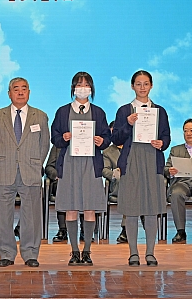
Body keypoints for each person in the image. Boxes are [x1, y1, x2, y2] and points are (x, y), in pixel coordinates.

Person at [0, 77, 50, 268]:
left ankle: (30, 253)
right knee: (3, 215)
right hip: (5, 169)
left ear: (29, 92)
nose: (20, 92)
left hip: (30, 170)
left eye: (24, 88)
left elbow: (44, 144)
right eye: (16, 89)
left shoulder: (40, 116)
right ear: (9, 93)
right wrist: (3, 160)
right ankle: (6, 253)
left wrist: (36, 163)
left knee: (31, 215)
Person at [52, 72, 111, 266]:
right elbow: (55, 137)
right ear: (73, 88)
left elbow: (107, 137)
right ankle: (74, 251)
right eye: (79, 85)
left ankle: (87, 251)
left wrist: (102, 141)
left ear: (91, 89)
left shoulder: (98, 112)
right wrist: (63, 138)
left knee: (89, 208)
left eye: (86, 85)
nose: (82, 88)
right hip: (69, 164)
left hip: (91, 164)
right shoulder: (62, 112)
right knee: (71, 208)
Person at [112, 70, 170, 266]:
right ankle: (133, 253)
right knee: (132, 208)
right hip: (131, 161)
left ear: (151, 86)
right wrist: (128, 124)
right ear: (132, 86)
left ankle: (151, 253)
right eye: (138, 84)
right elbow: (116, 138)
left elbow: (166, 136)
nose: (142, 87)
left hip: (152, 161)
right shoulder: (124, 111)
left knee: (152, 208)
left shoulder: (160, 111)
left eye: (146, 84)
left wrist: (162, 143)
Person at [102, 121, 126, 243]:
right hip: (116, 185)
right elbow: (104, 169)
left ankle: (126, 229)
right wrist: (115, 174)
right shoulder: (107, 151)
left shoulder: (133, 148)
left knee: (130, 190)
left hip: (134, 185)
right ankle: (126, 229)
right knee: (126, 185)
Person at [44, 146, 68, 243]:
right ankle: (63, 229)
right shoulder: (58, 146)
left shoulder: (84, 144)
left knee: (84, 189)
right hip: (60, 181)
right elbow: (49, 167)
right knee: (62, 187)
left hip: (79, 181)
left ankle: (84, 230)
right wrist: (57, 175)